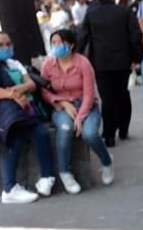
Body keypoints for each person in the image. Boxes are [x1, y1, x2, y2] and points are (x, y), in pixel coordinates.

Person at [0, 31, 55, 204]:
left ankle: (47, 177)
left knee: (41, 134)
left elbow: (31, 84)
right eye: (0, 45)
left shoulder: (14, 63)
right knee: (12, 138)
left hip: (22, 111)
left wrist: (19, 90)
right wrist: (12, 95)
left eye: (8, 44)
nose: (6, 48)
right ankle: (9, 188)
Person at [40, 28, 114, 192]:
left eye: (61, 42)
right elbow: (44, 90)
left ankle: (107, 161)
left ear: (71, 44)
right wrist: (62, 103)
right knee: (65, 129)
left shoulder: (83, 63)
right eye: (54, 42)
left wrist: (80, 117)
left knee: (89, 133)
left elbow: (89, 93)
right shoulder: (48, 65)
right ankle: (65, 173)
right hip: (61, 107)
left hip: (86, 106)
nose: (57, 46)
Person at [77, 0, 143, 146]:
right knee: (122, 93)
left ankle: (109, 134)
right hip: (123, 61)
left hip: (100, 62)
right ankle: (123, 128)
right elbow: (135, 35)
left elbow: (83, 37)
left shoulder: (91, 14)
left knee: (107, 97)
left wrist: (77, 57)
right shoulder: (125, 11)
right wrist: (136, 57)